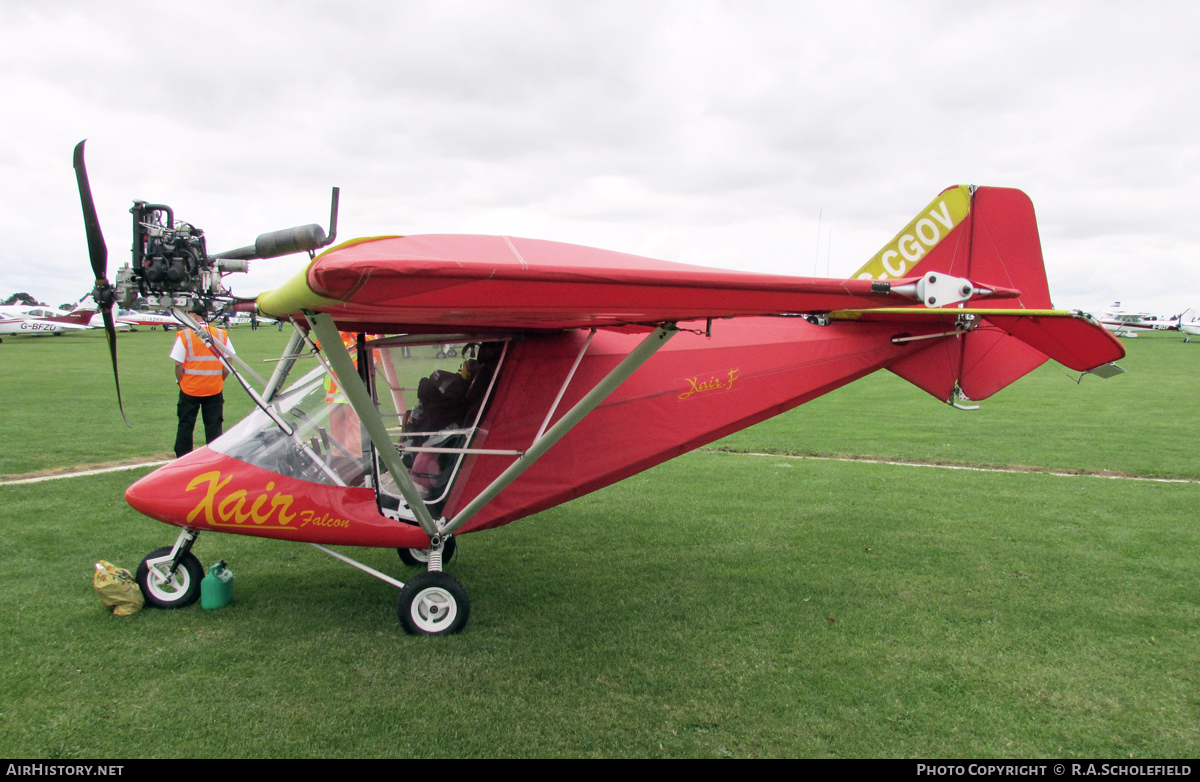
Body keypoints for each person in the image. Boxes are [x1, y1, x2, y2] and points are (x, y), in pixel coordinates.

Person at [170, 319, 235, 458]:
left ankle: (183, 455)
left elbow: (178, 364)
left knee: (185, 425)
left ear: (193, 314)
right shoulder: (221, 334)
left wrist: (180, 381)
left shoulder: (186, 335)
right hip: (214, 387)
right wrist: (221, 378)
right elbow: (229, 360)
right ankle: (215, 455)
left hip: (190, 388)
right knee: (214, 425)